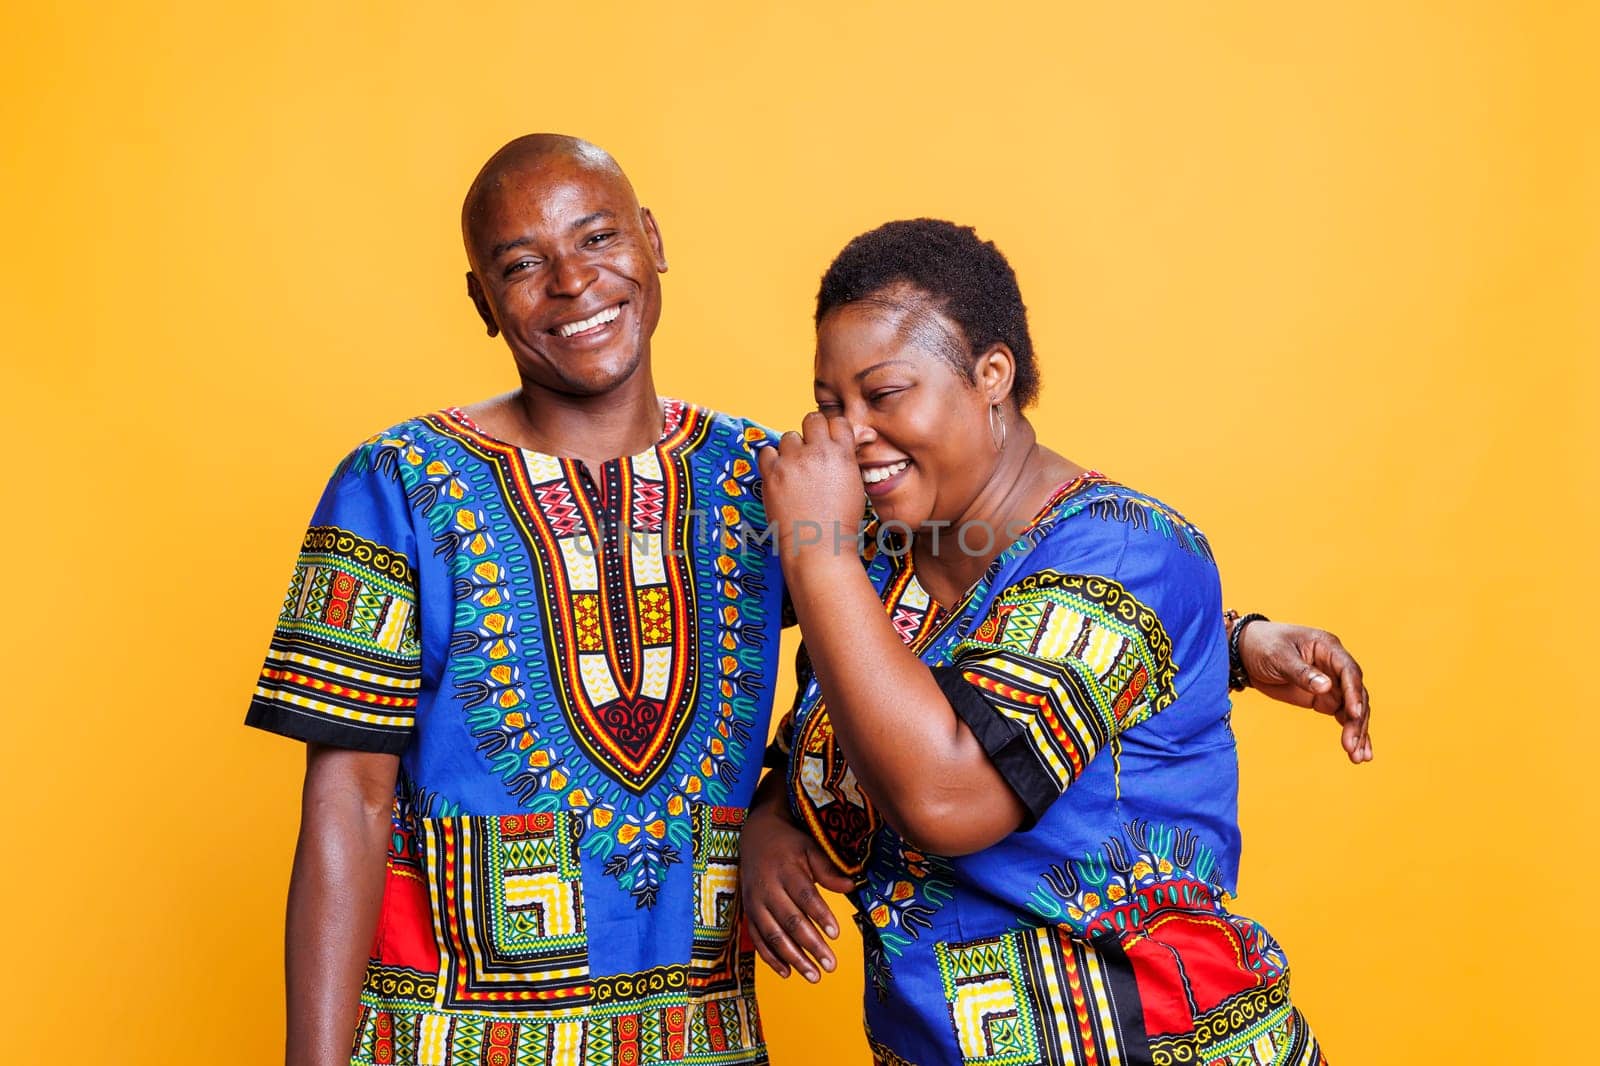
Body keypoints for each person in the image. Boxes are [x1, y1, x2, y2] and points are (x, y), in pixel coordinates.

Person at [246, 135, 1368, 1066]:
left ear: (652, 245)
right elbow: (348, 805)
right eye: (522, 261)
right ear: (483, 299)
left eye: (596, 237)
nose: (573, 281)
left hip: (743, 1037)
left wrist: (1219, 635)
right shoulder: (401, 485)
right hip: (456, 1033)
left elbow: (1006, 591)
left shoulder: (770, 485)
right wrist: (780, 823)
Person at [745, 219, 1368, 1065]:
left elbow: (947, 796)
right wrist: (776, 817)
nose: (849, 433)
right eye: (830, 405)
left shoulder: (1125, 550)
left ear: (991, 375)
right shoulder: (880, 567)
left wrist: (815, 550)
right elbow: (858, 718)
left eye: (884, 393)